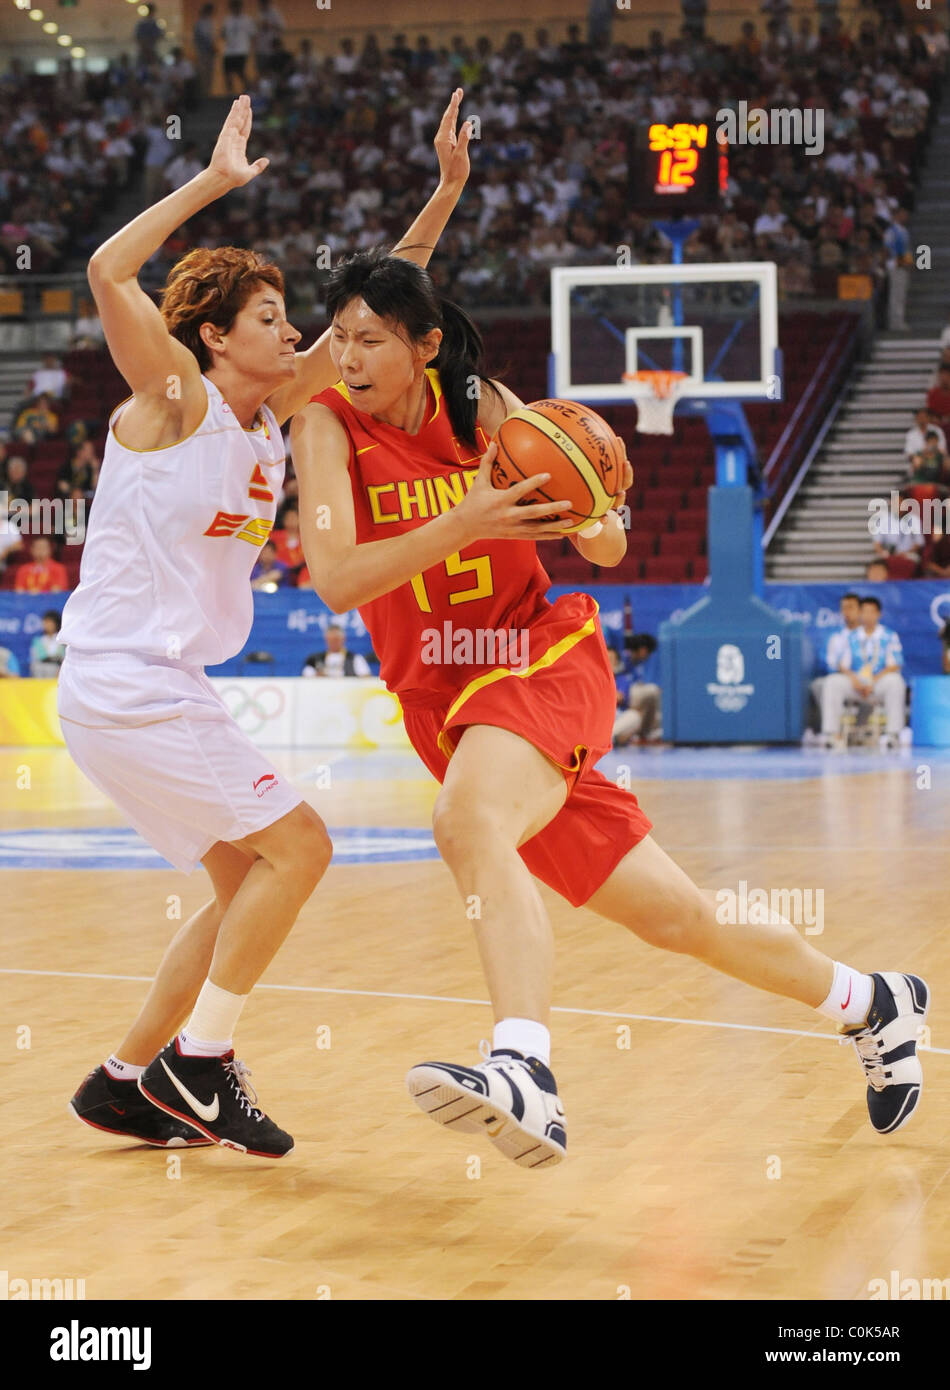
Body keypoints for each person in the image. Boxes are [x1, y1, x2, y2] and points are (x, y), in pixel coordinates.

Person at [290, 247, 929, 1169]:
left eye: (372, 340)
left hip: (539, 657)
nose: (349, 357)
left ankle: (523, 1068)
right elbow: (339, 580)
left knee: (466, 820)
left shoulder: (487, 409)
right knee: (679, 920)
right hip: (448, 705)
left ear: (425, 345)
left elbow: (605, 541)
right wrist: (467, 520)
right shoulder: (325, 428)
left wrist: (593, 507)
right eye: (340, 337)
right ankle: (873, 1002)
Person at [63, 92, 473, 1159]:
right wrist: (212, 184)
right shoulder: (175, 398)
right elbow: (108, 273)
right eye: (267, 317)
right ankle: (201, 1063)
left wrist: (442, 193)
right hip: (129, 682)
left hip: (158, 691)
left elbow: (379, 300)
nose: (295, 332)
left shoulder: (276, 407)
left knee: (249, 879)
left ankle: (126, 1081)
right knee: (302, 846)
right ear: (210, 335)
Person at [824, 596, 907, 749]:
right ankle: (831, 734)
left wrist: (873, 681)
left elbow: (894, 664)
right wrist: (854, 679)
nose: (868, 616)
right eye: (865, 612)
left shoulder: (889, 636)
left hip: (877, 683)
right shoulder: (851, 637)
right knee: (832, 682)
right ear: (860, 614)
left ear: (879, 614)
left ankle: (892, 734)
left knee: (895, 682)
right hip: (856, 683)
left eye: (872, 612)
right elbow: (842, 665)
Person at [814, 592, 861, 742]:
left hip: (867, 679)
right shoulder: (835, 636)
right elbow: (829, 662)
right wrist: (848, 674)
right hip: (843, 679)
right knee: (824, 684)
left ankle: (858, 731)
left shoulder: (869, 635)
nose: (847, 612)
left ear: (860, 610)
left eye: (851, 608)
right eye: (844, 608)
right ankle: (832, 733)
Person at [613, 633, 661, 744]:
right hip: (619, 694)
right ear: (643, 650)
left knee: (638, 713)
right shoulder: (622, 659)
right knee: (652, 691)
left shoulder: (637, 664)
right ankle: (644, 732)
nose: (647, 656)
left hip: (627, 699)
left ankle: (644, 733)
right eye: (648, 653)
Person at [302, 623, 371, 677]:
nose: (333, 643)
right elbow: (306, 676)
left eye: (336, 640)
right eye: (331, 640)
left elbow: (366, 677)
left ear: (343, 639)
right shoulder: (316, 659)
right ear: (326, 640)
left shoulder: (355, 658)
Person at [30, 609, 66, 677]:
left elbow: (64, 658)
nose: (47, 625)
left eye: (50, 622)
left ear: (56, 623)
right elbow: (35, 660)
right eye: (45, 622)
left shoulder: (63, 641)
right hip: (41, 674)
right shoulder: (38, 641)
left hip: (59, 673)